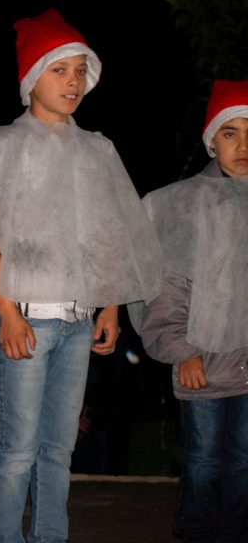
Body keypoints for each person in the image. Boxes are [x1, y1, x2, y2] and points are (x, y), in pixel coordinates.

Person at [0, 8, 162, 543]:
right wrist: (8, 310)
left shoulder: (98, 149)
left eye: (79, 71)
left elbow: (107, 233)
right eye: (59, 69)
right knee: (18, 445)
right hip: (27, 317)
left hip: (79, 319)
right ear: (31, 77)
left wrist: (109, 305)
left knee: (59, 447)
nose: (72, 82)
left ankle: (50, 537)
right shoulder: (3, 145)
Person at [135, 78, 248, 543]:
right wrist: (181, 349)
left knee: (245, 459)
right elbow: (167, 286)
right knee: (202, 458)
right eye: (231, 133)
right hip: (202, 363)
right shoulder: (181, 205)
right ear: (211, 141)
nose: (243, 145)